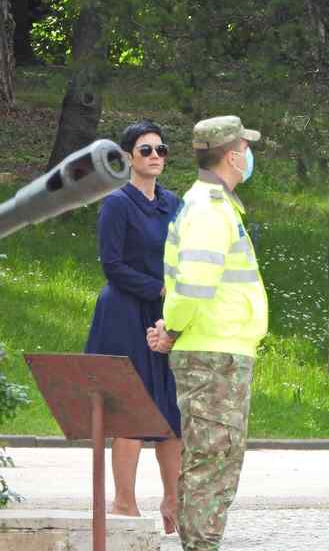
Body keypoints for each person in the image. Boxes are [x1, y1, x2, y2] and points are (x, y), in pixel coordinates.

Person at [146, 115, 268, 551]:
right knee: (212, 462)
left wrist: (172, 327)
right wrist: (173, 328)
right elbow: (195, 285)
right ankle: (200, 546)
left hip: (219, 349)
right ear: (234, 155)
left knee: (214, 459)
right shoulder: (209, 210)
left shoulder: (213, 205)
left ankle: (201, 544)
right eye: (246, 148)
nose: (250, 156)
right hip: (213, 353)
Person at [84, 119, 182, 534]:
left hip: (167, 313)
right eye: (146, 150)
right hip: (125, 312)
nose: (155, 156)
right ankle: (124, 504)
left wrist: (177, 299)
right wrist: (158, 288)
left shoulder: (174, 204)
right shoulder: (117, 204)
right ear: (127, 158)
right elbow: (112, 265)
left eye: (161, 149)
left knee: (172, 408)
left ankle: (174, 500)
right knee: (130, 409)